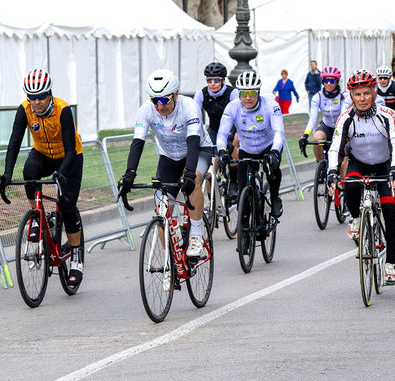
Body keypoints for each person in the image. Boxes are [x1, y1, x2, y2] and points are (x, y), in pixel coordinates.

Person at [118, 69, 213, 276]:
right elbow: (137, 143)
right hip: (169, 157)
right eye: (155, 100)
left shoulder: (189, 107)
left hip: (198, 151)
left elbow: (194, 142)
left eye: (165, 100)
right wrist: (129, 174)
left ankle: (196, 235)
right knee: (162, 207)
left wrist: (189, 173)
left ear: (176, 94)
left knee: (194, 180)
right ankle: (171, 256)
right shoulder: (146, 110)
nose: (160, 106)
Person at [0, 69, 86, 287]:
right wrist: (7, 174)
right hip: (43, 153)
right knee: (29, 172)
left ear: (49, 94)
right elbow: (14, 142)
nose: (36, 101)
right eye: (31, 97)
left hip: (69, 156)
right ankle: (37, 217)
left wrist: (62, 173)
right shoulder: (25, 110)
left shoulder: (63, 110)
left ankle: (76, 258)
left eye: (40, 96)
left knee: (66, 205)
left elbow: (70, 149)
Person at [328, 70, 395, 284]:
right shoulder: (346, 119)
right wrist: (332, 172)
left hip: (385, 164)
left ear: (374, 93)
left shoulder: (387, 115)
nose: (362, 99)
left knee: (390, 210)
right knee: (350, 184)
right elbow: (336, 148)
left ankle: (390, 264)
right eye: (357, 94)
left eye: (366, 93)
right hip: (359, 162)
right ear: (351, 96)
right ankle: (356, 217)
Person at [216, 71, 286, 218]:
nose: (247, 98)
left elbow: (279, 132)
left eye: (252, 93)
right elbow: (222, 134)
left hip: (268, 146)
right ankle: (246, 226)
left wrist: (274, 152)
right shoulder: (232, 107)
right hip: (246, 150)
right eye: (244, 93)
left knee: (272, 171)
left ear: (258, 92)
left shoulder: (271, 105)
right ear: (239, 94)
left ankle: (274, 197)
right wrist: (222, 151)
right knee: (243, 190)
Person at [194, 62, 240, 197]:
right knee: (211, 162)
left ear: (223, 81)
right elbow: (195, 115)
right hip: (214, 129)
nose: (213, 83)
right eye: (209, 80)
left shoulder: (233, 93)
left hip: (233, 128)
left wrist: (230, 139)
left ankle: (234, 183)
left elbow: (238, 116)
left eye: (216, 80)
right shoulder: (202, 94)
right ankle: (212, 196)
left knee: (231, 148)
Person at [299, 66, 345, 162]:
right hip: (326, 125)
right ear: (322, 81)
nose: (328, 84)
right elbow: (312, 119)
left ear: (337, 82)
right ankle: (321, 167)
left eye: (332, 81)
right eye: (326, 80)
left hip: (341, 126)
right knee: (317, 139)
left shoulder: (344, 95)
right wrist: (305, 136)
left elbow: (343, 116)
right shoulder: (318, 97)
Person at [376, 65, 395, 136]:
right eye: (380, 78)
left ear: (389, 78)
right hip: (385, 112)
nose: (383, 80)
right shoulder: (376, 89)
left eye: (385, 78)